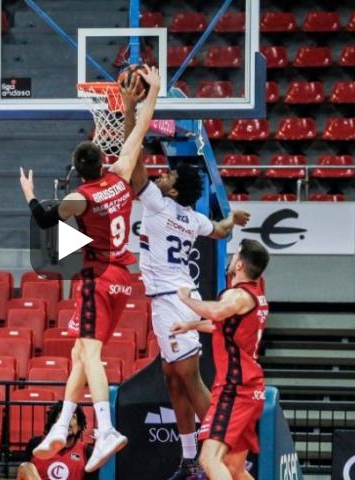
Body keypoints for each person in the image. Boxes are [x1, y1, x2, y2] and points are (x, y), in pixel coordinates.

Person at [19, 65, 161, 472]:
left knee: (90, 353)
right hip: (123, 278)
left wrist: (30, 194)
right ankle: (62, 423)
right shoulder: (120, 175)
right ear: (103, 159)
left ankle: (106, 428)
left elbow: (44, 219)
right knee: (80, 351)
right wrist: (152, 92)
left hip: (96, 279)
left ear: (77, 171)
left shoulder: (80, 198)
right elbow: (142, 128)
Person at [119, 72, 251, 480]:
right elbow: (220, 230)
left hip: (170, 300)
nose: (162, 175)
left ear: (174, 191)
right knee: (172, 379)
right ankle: (190, 458)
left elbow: (133, 160)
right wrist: (232, 218)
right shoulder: (193, 219)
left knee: (190, 381)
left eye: (169, 176)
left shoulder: (158, 204)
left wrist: (130, 109)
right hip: (173, 297)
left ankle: (227, 455)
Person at [171, 239, 270, 480]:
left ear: (240, 265)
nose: (232, 259)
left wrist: (186, 300)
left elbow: (217, 311)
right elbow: (221, 324)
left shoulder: (238, 295)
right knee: (234, 468)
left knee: (209, 459)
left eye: (235, 255)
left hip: (235, 388)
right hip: (251, 388)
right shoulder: (256, 295)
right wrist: (191, 325)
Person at [17, 401, 97, 480]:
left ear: (79, 426)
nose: (67, 421)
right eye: (62, 417)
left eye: (73, 417)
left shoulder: (86, 451)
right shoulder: (36, 443)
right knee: (25, 467)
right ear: (54, 424)